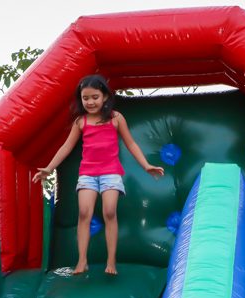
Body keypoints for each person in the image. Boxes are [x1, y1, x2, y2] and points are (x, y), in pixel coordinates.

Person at [32, 74, 164, 275]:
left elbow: (131, 143)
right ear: (81, 99)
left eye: (95, 97)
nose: (90, 102)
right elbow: (66, 147)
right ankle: (82, 260)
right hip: (88, 173)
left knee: (109, 212)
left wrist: (146, 165)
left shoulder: (115, 118)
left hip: (110, 172)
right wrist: (49, 168)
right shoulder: (81, 122)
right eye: (86, 98)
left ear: (104, 97)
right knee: (84, 213)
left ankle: (111, 261)